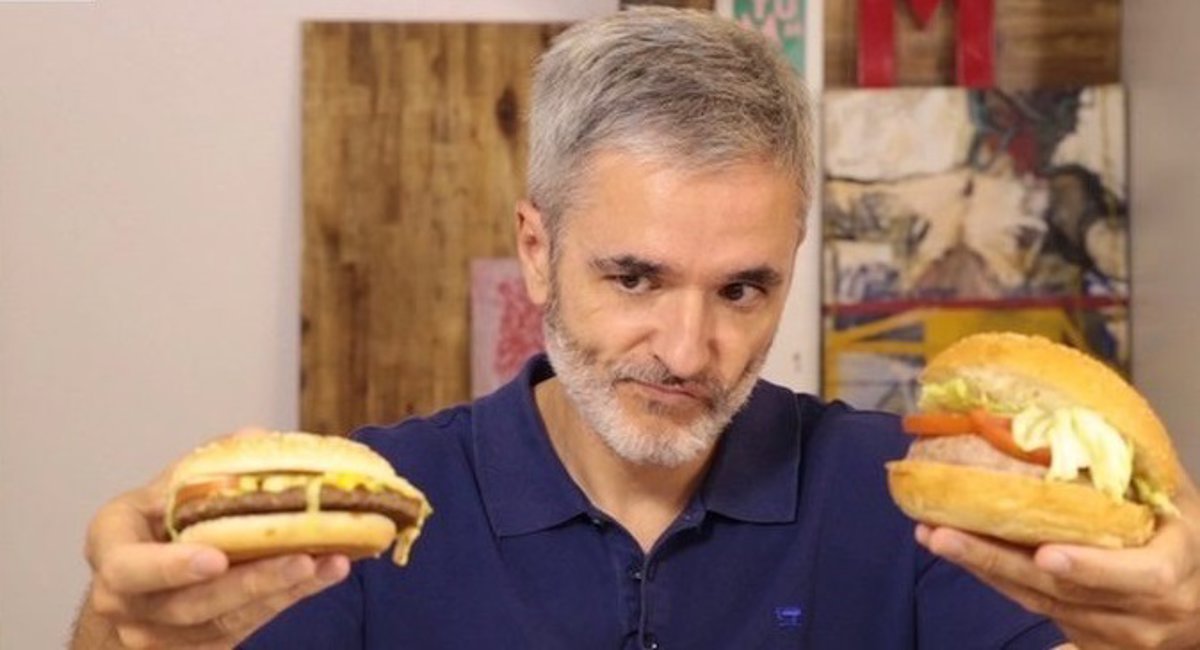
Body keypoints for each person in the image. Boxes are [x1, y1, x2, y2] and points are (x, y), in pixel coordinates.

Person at [70, 8, 1200, 650]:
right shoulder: (372, 516)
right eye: (634, 276)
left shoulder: (911, 502)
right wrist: (114, 632)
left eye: (742, 290)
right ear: (535, 248)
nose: (687, 349)